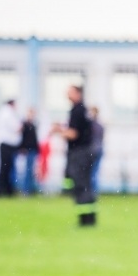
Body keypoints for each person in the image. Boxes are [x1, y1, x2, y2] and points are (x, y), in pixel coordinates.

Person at [51, 85, 96, 227]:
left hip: (79, 154)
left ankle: (85, 221)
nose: (66, 95)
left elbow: (73, 134)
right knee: (85, 185)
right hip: (85, 152)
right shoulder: (82, 110)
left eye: (69, 92)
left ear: (77, 93)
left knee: (80, 186)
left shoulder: (77, 110)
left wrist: (58, 132)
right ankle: (89, 219)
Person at [0, 99, 22, 197]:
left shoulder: (3, 113)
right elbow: (17, 127)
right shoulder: (8, 113)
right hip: (7, 145)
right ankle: (3, 191)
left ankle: (2, 190)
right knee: (6, 168)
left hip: (5, 144)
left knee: (5, 168)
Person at [17, 107, 39, 195]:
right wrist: (23, 148)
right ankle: (25, 190)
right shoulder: (25, 125)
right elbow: (23, 138)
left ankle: (30, 189)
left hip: (33, 149)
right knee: (27, 170)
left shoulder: (33, 125)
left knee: (31, 171)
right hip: (28, 150)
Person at [89, 106, 105, 195]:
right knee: (95, 172)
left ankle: (91, 191)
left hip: (92, 150)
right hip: (98, 150)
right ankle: (94, 192)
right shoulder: (100, 126)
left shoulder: (90, 125)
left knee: (91, 172)